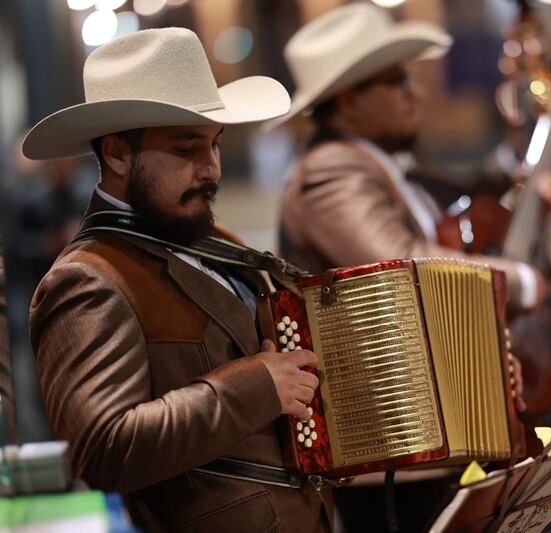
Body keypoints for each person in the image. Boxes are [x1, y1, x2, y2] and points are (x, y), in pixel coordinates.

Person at [24, 28, 329, 532]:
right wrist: (257, 385)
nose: (210, 170)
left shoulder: (215, 240)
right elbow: (103, 450)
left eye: (214, 145)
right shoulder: (85, 280)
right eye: (187, 150)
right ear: (119, 154)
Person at [272, 5, 551, 531]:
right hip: (385, 447)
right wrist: (521, 281)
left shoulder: (379, 165)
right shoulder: (329, 171)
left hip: (426, 439)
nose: (417, 93)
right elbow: (406, 265)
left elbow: (456, 200)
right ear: (349, 99)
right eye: (397, 80)